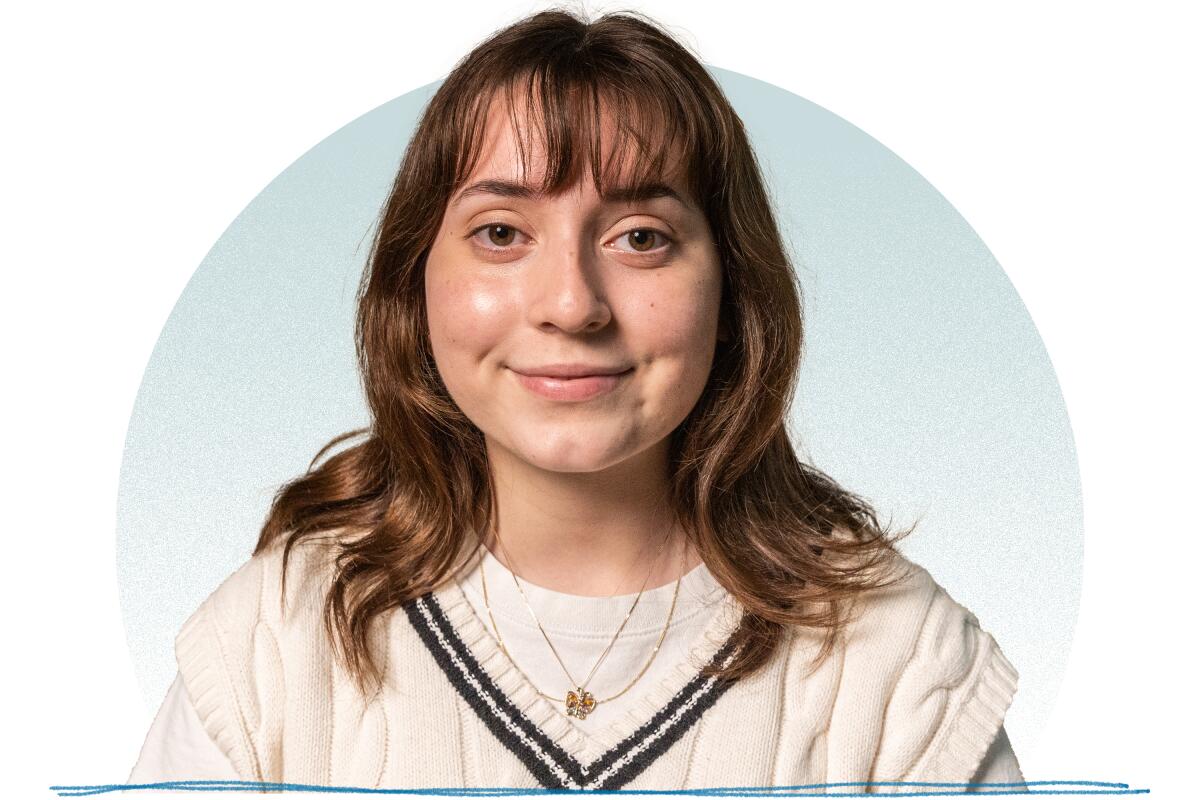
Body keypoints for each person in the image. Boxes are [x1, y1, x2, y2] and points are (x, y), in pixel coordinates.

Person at [129, 8, 1024, 792]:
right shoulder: (276, 639)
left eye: (641, 237)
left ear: (733, 290)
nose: (570, 304)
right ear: (417, 283)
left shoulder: (902, 667)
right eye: (501, 233)